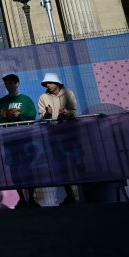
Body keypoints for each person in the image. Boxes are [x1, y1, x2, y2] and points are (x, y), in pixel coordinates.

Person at [0, 74, 39, 208]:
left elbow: (32, 116)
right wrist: (3, 117)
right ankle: (21, 198)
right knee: (14, 169)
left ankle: (31, 197)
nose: (8, 86)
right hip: (9, 140)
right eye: (6, 84)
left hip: (26, 139)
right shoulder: (1, 101)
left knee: (29, 168)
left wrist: (21, 115)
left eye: (10, 83)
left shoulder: (25, 100)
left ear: (17, 84)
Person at [37, 73, 81, 205]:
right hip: (55, 136)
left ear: (57, 83)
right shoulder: (43, 97)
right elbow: (42, 116)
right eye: (46, 83)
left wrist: (66, 113)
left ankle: (82, 192)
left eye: (50, 82)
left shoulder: (69, 93)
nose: (47, 85)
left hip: (71, 134)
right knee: (62, 165)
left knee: (77, 162)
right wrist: (48, 114)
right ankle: (70, 195)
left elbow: (74, 111)